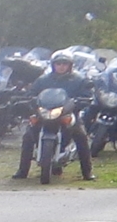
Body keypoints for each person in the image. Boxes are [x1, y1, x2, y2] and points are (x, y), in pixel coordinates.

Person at [11, 49, 94, 180]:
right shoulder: (43, 80)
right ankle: (22, 171)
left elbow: (87, 95)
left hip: (67, 113)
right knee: (28, 136)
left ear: (70, 65)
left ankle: (87, 172)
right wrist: (29, 99)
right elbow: (32, 93)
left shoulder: (79, 80)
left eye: (64, 63)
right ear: (53, 65)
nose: (61, 66)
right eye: (58, 63)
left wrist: (81, 101)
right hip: (44, 113)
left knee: (81, 136)